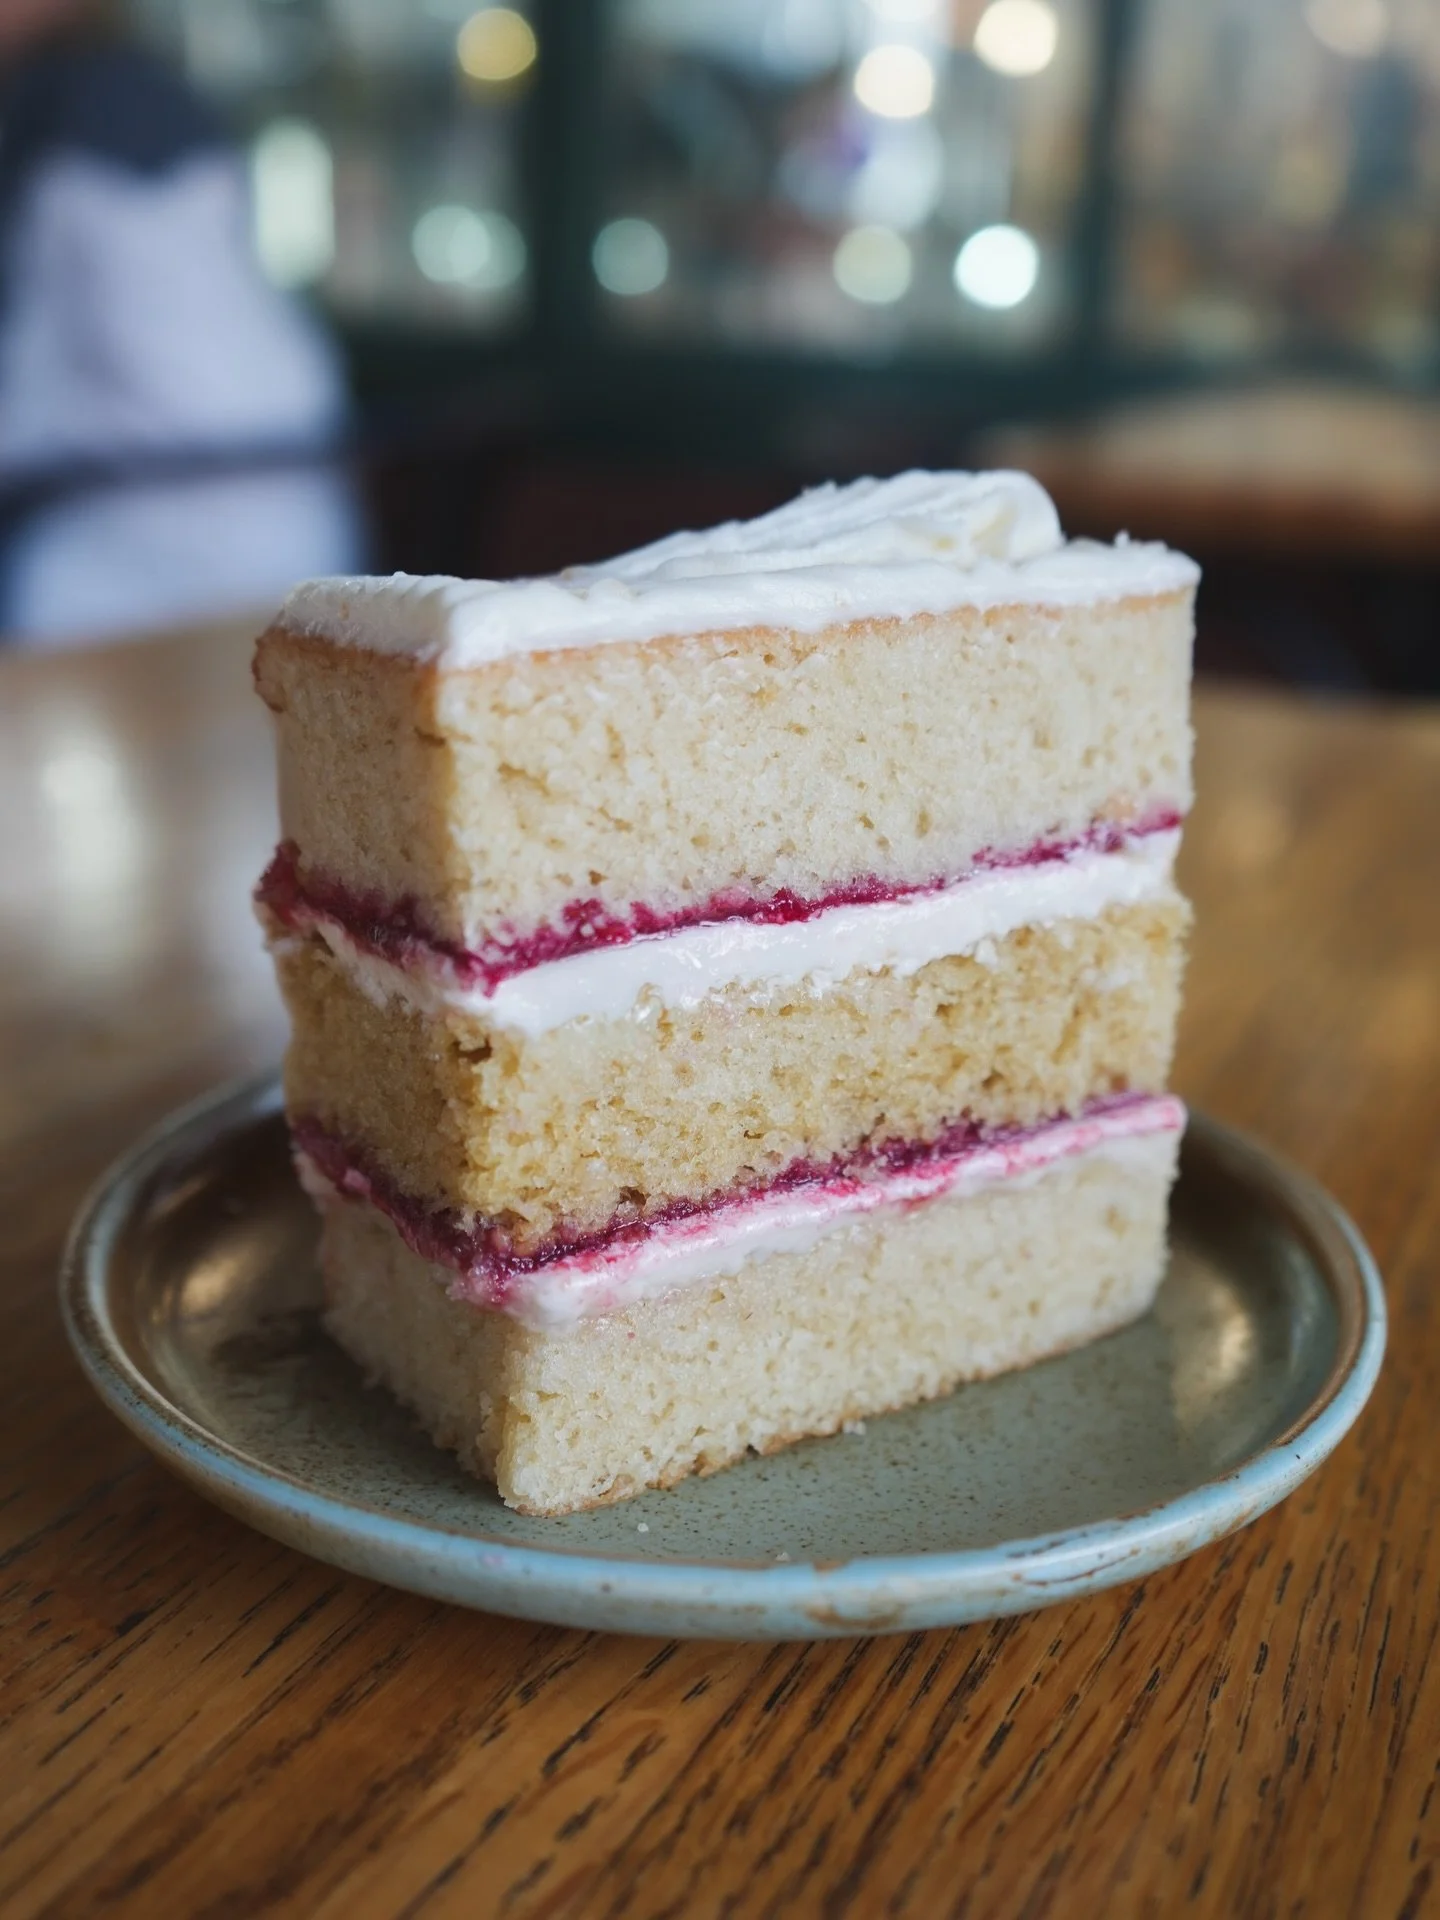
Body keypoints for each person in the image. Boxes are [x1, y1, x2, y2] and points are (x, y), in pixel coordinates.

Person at [0, 0, 363, 646]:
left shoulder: (85, 107)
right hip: (291, 536)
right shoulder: (129, 96)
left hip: (141, 568)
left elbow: (186, 376)